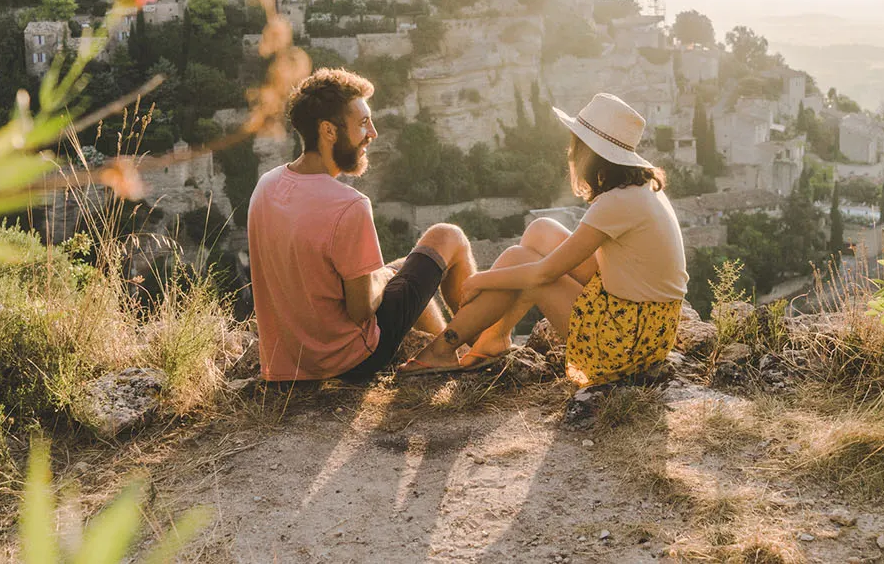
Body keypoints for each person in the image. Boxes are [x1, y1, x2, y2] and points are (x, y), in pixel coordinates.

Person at [400, 92, 688, 386]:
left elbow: (544, 273)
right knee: (541, 230)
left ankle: (445, 347)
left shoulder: (617, 202)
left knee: (522, 261)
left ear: (589, 151)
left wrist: (478, 281)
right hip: (649, 326)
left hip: (626, 344)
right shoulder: (640, 189)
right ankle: (493, 338)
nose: (570, 150)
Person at [247, 68, 476, 382]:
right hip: (349, 361)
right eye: (363, 123)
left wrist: (384, 274)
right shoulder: (349, 205)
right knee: (448, 236)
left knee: (401, 274)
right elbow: (362, 310)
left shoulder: (266, 186)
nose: (373, 133)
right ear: (329, 131)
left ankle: (447, 357)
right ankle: (481, 349)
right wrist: (381, 276)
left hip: (290, 363)